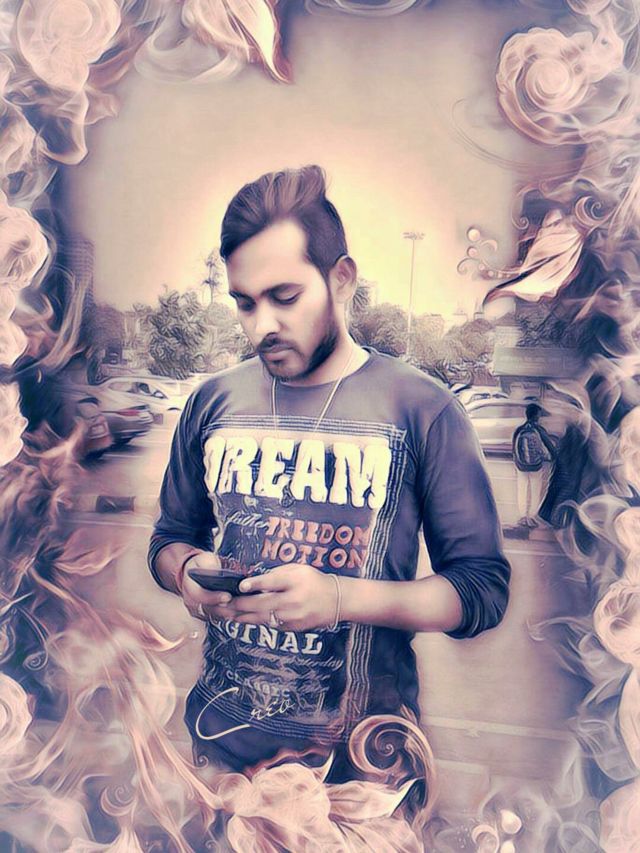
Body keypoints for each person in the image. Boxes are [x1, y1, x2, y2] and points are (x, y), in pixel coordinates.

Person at [147, 165, 511, 780]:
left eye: (285, 297)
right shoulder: (212, 402)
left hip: (363, 769)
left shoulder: (421, 408)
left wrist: (340, 599)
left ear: (341, 279)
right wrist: (186, 574)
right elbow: (168, 539)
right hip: (220, 757)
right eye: (244, 302)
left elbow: (480, 590)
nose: (262, 325)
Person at [512, 403, 556, 527]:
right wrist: (553, 457)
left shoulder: (519, 429)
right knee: (535, 490)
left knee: (522, 489)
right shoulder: (539, 430)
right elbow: (549, 446)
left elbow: (514, 448)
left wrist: (517, 462)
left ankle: (522, 517)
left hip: (521, 465)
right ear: (536, 416)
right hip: (536, 466)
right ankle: (531, 517)